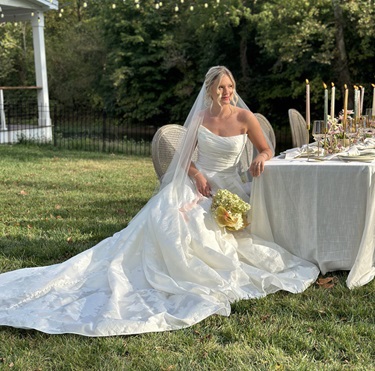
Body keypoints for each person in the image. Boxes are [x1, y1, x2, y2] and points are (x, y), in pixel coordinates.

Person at [0, 66, 319, 337]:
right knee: (170, 219)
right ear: (209, 90)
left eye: (230, 86)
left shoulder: (245, 117)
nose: (226, 91)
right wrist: (196, 175)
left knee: (234, 238)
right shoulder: (201, 118)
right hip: (200, 184)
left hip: (232, 186)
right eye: (220, 87)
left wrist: (261, 159)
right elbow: (184, 159)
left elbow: (266, 149)